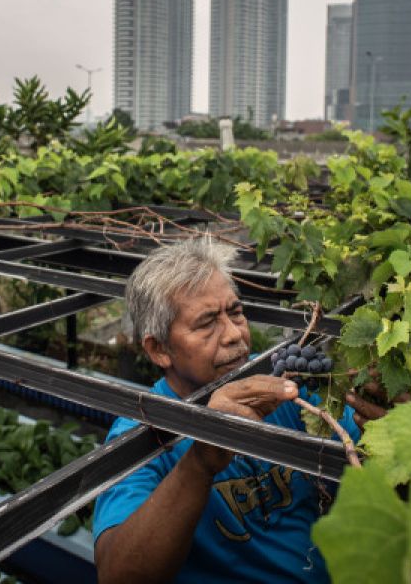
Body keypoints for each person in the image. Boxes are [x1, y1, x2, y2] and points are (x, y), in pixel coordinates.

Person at [93, 238, 361, 584]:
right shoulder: (141, 435)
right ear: (159, 350)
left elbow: (359, 461)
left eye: (235, 312)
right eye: (207, 323)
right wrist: (201, 461)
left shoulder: (282, 387)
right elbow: (119, 576)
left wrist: (381, 429)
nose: (235, 334)